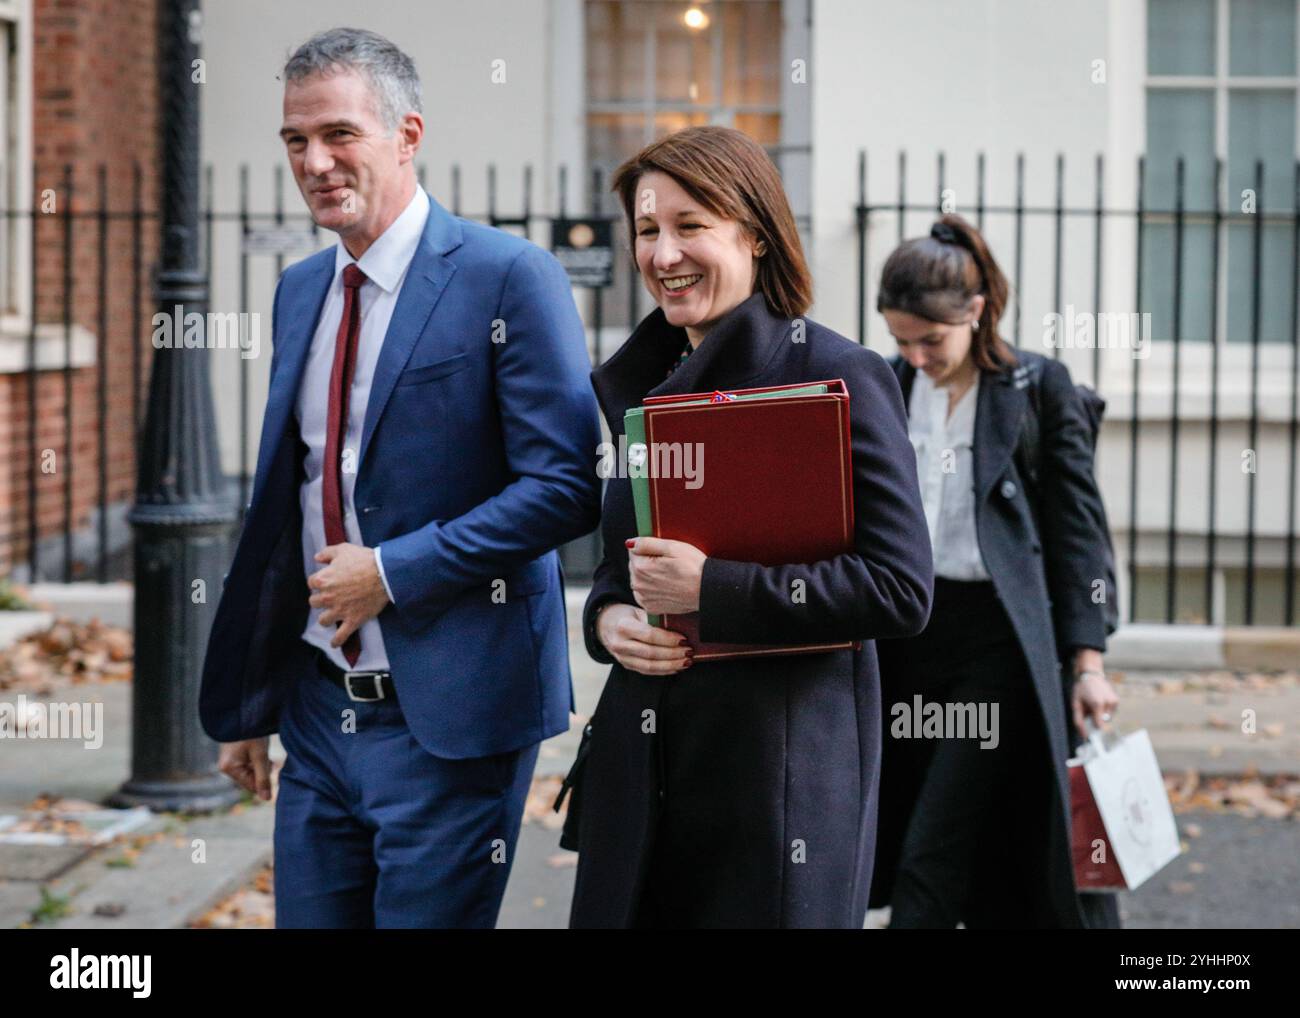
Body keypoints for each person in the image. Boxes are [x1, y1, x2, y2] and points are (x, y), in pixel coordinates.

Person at [198, 28, 601, 928]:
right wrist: (250, 698)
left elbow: (568, 486)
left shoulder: (509, 278)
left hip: (449, 720)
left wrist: (390, 572)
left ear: (407, 134)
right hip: (315, 709)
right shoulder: (301, 287)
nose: (315, 161)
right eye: (296, 140)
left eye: (339, 134)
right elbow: (283, 508)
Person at [566, 126, 933, 928]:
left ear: (755, 234)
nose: (665, 254)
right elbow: (616, 569)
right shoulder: (641, 384)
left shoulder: (841, 374)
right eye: (648, 230)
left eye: (691, 225)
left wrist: (714, 587)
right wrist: (610, 620)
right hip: (647, 762)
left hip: (779, 777)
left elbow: (901, 589)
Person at [868, 213, 1121, 929]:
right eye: (901, 340)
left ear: (976, 313)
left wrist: (1088, 661)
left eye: (931, 339)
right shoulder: (887, 385)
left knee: (932, 845)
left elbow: (1078, 532)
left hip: (998, 646)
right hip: (906, 643)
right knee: (942, 828)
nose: (916, 355)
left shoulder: (1037, 388)